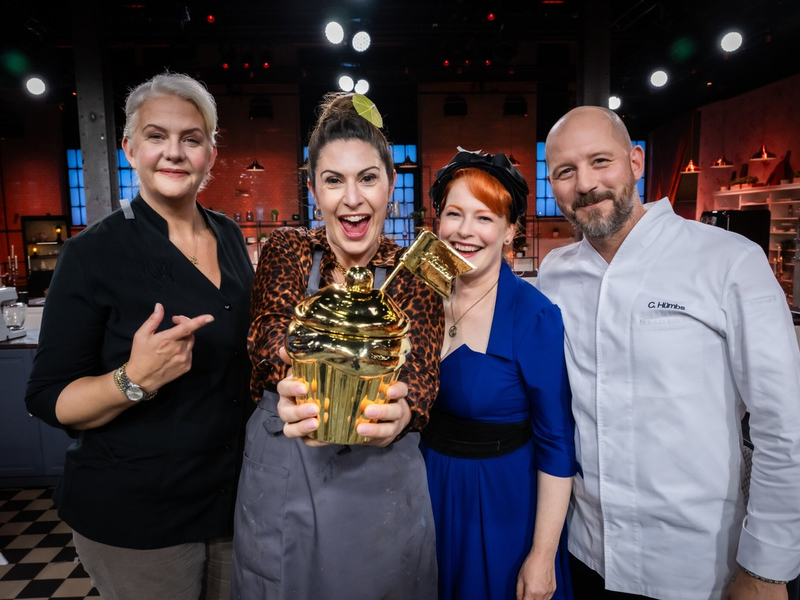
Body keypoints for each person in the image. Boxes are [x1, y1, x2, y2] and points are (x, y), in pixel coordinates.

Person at [536, 105, 800, 600]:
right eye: (565, 172)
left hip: (699, 566)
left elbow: (784, 424)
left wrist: (767, 569)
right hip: (585, 553)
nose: (585, 184)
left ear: (635, 162)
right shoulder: (554, 273)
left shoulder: (729, 261)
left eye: (600, 162)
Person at [25, 72, 255, 600]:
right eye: (156, 136)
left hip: (230, 501)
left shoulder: (228, 235)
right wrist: (134, 379)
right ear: (130, 148)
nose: (173, 153)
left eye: (191, 139)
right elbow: (47, 398)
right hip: (137, 515)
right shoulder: (93, 255)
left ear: (210, 154)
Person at [231, 92, 444, 599]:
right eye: (334, 180)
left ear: (391, 186)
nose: (353, 198)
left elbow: (423, 378)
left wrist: (405, 412)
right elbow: (265, 335)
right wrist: (292, 368)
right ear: (313, 189)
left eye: (368, 178)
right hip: (289, 476)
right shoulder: (288, 247)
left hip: (381, 488)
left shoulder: (417, 267)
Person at [420, 150, 578, 600]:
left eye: (484, 218)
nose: (465, 231)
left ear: (510, 231)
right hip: (424, 492)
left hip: (498, 507)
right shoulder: (422, 296)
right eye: (454, 214)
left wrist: (542, 555)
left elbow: (556, 444)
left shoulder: (533, 315)